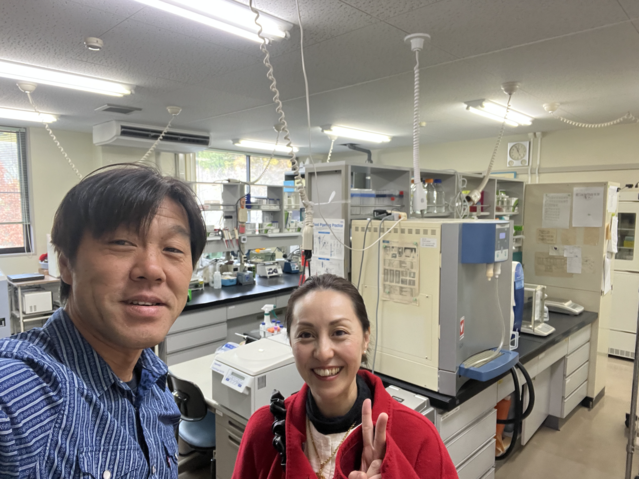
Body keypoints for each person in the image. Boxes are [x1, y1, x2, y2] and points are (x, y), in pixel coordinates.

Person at [0, 164, 206, 478]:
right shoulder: (21, 397)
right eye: (122, 242)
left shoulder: (156, 387)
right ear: (66, 264)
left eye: (172, 249)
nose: (152, 269)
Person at [233, 274, 457, 479]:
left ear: (365, 338)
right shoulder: (264, 433)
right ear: (291, 342)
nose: (323, 353)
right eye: (306, 334)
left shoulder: (417, 437)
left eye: (339, 332)